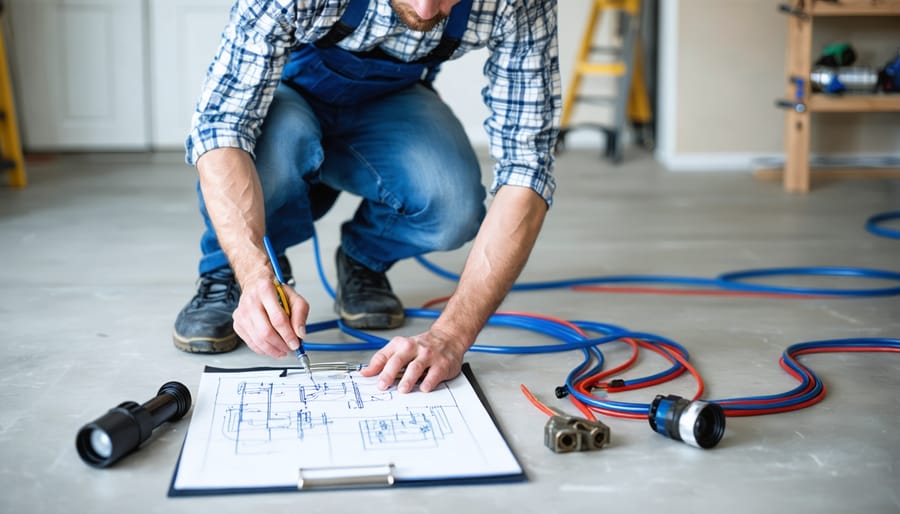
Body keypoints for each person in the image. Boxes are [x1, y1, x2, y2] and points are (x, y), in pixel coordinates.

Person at [173, 0, 561, 394]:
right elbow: (223, 127)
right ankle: (228, 272)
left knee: (453, 206)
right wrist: (256, 274)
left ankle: (364, 259)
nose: (427, 12)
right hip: (287, 93)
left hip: (391, 101)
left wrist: (452, 336)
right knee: (273, 151)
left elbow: (527, 167)